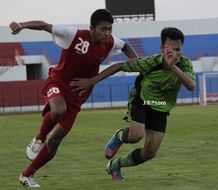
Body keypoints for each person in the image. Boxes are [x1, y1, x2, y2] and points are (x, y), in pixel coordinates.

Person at [9, 9, 138, 187]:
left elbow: (126, 47)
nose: (107, 33)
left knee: (55, 142)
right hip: (58, 82)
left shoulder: (110, 42)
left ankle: (26, 175)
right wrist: (22, 25)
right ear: (92, 28)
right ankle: (38, 138)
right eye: (103, 29)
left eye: (110, 29)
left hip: (78, 96)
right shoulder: (73, 35)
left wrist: (137, 63)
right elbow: (45, 26)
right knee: (58, 110)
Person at [70, 27, 196, 181]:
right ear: (162, 48)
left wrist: (173, 67)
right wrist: (91, 81)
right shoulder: (150, 62)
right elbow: (119, 66)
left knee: (150, 152)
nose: (175, 54)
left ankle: (115, 165)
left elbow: (191, 86)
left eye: (178, 49)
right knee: (136, 135)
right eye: (171, 50)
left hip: (161, 107)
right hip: (142, 100)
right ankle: (119, 136)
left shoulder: (185, 64)